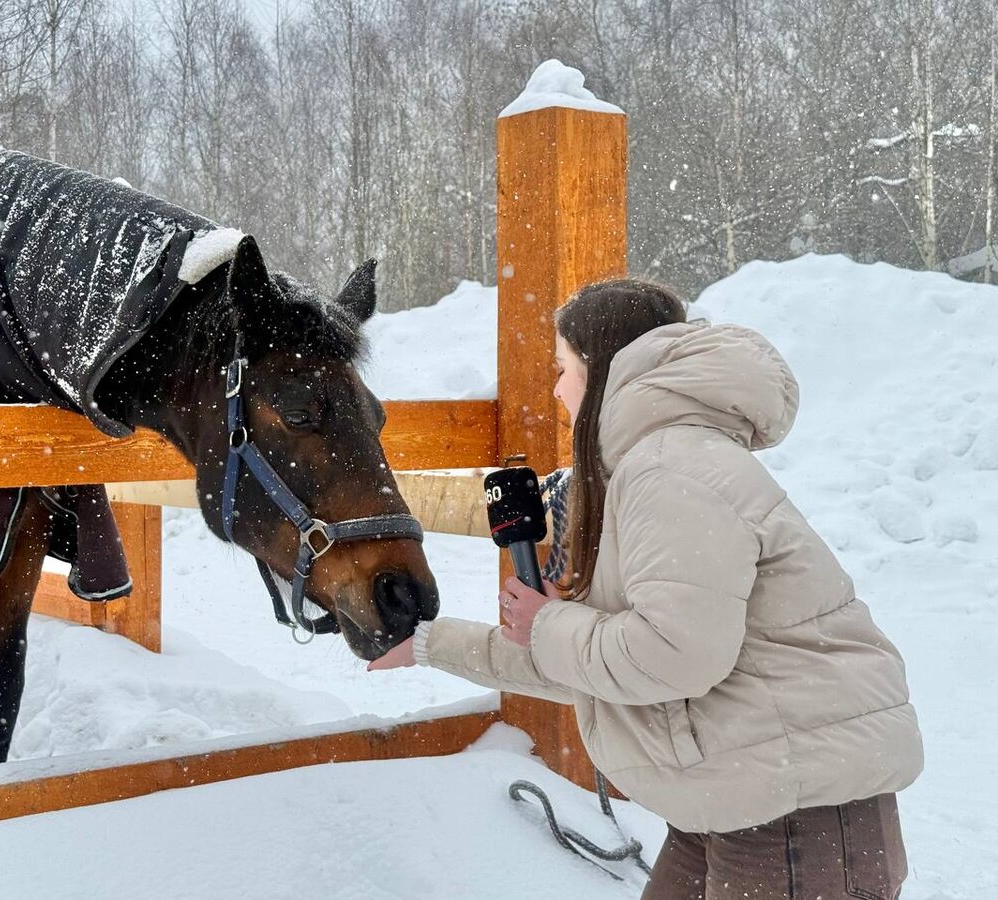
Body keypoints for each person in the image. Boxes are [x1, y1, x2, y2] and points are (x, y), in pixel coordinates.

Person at [368, 278, 922, 899]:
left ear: (601, 367)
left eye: (563, 368)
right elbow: (602, 669)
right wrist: (430, 644)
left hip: (795, 815)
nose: (556, 389)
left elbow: (671, 655)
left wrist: (549, 625)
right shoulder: (648, 468)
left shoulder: (671, 469)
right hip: (735, 800)